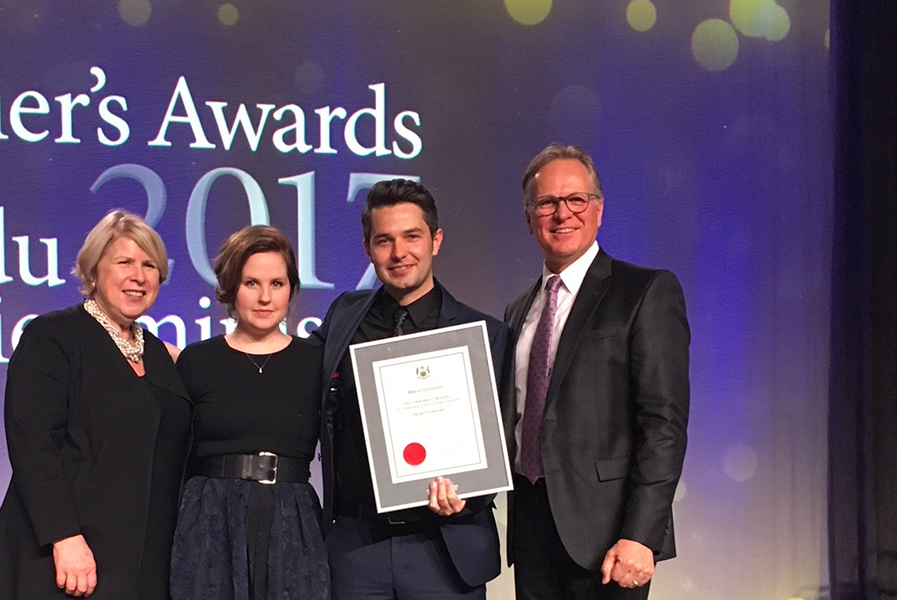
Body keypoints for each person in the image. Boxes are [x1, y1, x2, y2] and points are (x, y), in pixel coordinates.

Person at [503, 144, 689, 598]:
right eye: (546, 202)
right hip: (532, 532)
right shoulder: (516, 311)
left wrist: (642, 534)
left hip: (609, 540)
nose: (561, 213)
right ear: (529, 219)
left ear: (598, 210)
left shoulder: (643, 292)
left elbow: (663, 425)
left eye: (576, 199)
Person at [311, 179, 511, 599]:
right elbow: (290, 368)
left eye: (412, 237)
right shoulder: (344, 316)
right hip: (356, 547)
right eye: (384, 240)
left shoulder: (484, 335)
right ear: (368, 249)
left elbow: (503, 438)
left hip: (445, 547)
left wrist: (469, 495)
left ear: (436, 240)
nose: (399, 253)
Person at [0, 209, 192, 600]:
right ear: (94, 271)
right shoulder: (54, 338)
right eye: (125, 262)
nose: (139, 276)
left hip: (143, 563)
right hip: (66, 558)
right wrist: (64, 537)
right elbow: (34, 447)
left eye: (150, 265)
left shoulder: (165, 359)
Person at [170, 225, 330, 600]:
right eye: (251, 283)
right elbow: (173, 455)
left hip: (292, 520)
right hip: (209, 523)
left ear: (291, 289)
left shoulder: (315, 363)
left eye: (277, 283)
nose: (264, 297)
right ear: (230, 288)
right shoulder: (198, 361)